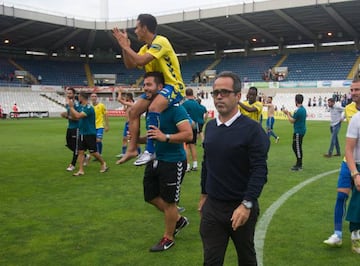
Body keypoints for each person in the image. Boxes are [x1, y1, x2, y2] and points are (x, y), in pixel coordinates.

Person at [198, 71, 270, 265]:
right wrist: (204, 194)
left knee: (246, 258)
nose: (219, 96)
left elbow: (259, 170)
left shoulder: (253, 130)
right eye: (215, 93)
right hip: (213, 207)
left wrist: (247, 204)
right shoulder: (210, 127)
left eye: (225, 92)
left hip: (241, 207)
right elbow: (207, 163)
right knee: (211, 260)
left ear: (238, 96)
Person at [112, 13, 185, 166]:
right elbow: (130, 65)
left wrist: (126, 46)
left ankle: (151, 151)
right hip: (157, 90)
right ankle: (132, 149)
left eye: (137, 27)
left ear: (144, 28)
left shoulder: (161, 41)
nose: (136, 31)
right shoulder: (145, 47)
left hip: (174, 87)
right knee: (133, 111)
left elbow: (141, 60)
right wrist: (125, 48)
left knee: (153, 107)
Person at [139, 72, 192, 252]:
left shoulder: (176, 109)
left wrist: (165, 137)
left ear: (161, 88)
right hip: (156, 160)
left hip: (173, 161)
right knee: (150, 196)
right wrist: (138, 139)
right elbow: (153, 135)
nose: (145, 88)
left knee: (170, 202)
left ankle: (168, 238)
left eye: (149, 85)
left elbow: (188, 134)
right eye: (144, 85)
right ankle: (178, 220)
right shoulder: (151, 110)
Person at [323, 79, 360, 247]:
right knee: (341, 196)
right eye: (351, 89)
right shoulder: (349, 109)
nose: (353, 93)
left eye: (357, 89)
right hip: (349, 160)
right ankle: (337, 234)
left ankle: (356, 231)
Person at [67, 92, 108, 176]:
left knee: (93, 152)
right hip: (82, 132)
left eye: (79, 97)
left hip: (89, 133)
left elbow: (78, 116)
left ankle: (103, 163)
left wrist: (71, 107)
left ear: (82, 97)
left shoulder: (89, 108)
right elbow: (76, 116)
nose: (78, 99)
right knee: (80, 151)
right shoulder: (83, 107)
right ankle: (81, 170)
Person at [345, 110, 360, 254]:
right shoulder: (357, 119)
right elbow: (348, 149)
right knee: (358, 200)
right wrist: (355, 173)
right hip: (359, 165)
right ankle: (355, 233)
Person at [115, 90, 141, 163]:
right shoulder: (128, 104)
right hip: (127, 123)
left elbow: (119, 100)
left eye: (126, 97)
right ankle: (124, 153)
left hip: (131, 124)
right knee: (125, 138)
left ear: (129, 97)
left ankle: (139, 153)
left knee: (134, 138)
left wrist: (119, 92)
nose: (125, 98)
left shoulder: (131, 104)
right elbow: (124, 110)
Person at [283, 94, 307, 171]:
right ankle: (298, 163)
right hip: (301, 130)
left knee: (297, 147)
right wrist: (289, 114)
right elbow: (296, 118)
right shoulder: (303, 109)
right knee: (296, 146)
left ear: (296, 101)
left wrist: (287, 114)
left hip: (298, 131)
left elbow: (292, 121)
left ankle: (299, 164)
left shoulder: (298, 110)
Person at [60, 88, 82, 171]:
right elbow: (70, 114)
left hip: (76, 128)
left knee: (76, 147)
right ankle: (84, 155)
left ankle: (72, 164)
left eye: (70, 93)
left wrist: (66, 116)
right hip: (70, 127)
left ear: (73, 94)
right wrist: (65, 115)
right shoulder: (69, 103)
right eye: (67, 93)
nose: (68, 95)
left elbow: (78, 117)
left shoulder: (76, 104)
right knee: (69, 144)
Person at [182, 88, 203, 172]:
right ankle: (195, 164)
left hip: (186, 126)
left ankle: (187, 165)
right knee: (193, 145)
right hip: (195, 126)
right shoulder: (196, 103)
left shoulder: (184, 104)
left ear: (186, 94)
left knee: (186, 146)